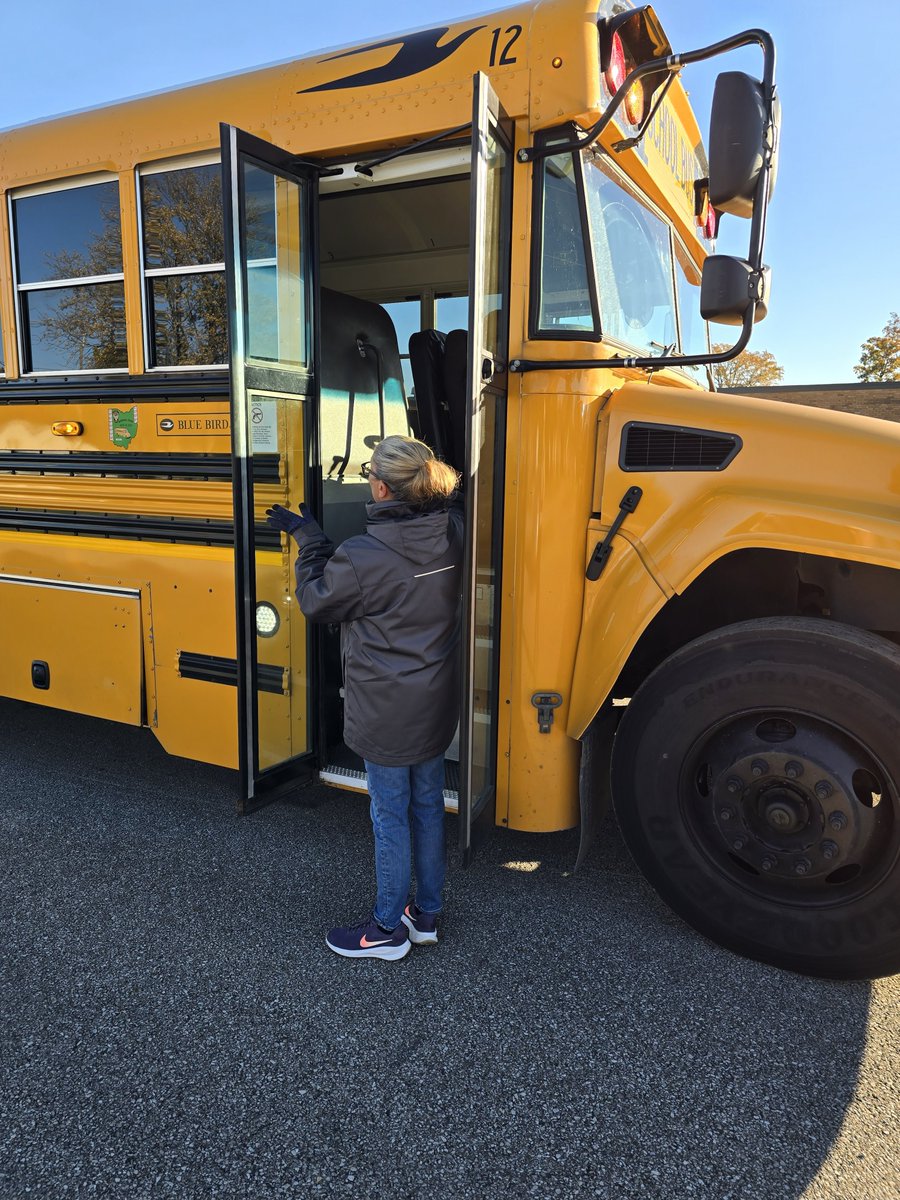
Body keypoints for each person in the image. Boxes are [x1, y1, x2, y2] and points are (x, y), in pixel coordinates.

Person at [266, 435, 463, 961]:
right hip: (435, 699)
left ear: (379, 486)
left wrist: (309, 540)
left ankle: (384, 931)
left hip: (386, 709)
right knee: (427, 806)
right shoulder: (452, 530)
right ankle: (425, 914)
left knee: (390, 816)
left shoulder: (364, 554)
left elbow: (315, 599)